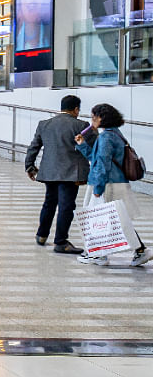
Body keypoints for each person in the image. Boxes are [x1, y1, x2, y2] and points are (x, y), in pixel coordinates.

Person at [75, 103, 151, 266]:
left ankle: (97, 254)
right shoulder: (115, 134)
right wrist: (83, 145)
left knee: (97, 219)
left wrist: (98, 188)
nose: (92, 119)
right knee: (118, 219)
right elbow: (97, 159)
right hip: (117, 183)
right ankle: (141, 251)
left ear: (102, 118)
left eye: (94, 116)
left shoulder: (106, 137)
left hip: (107, 184)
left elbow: (102, 164)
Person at [25, 95, 89, 254]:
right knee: (66, 206)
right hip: (71, 173)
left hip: (49, 171)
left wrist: (30, 166)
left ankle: (41, 235)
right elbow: (91, 148)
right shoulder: (81, 125)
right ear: (76, 109)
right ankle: (60, 242)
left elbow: (34, 147)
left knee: (49, 203)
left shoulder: (45, 124)